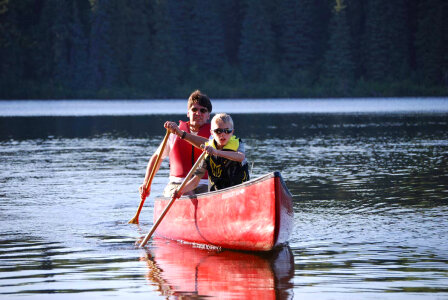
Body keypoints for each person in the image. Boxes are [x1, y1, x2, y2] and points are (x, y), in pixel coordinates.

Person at [139, 90, 212, 200]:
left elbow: (208, 145)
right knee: (188, 194)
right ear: (188, 113)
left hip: (206, 185)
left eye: (203, 110)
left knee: (207, 196)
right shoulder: (173, 134)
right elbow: (157, 158)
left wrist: (182, 134)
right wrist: (146, 183)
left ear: (208, 116)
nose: (198, 113)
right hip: (177, 184)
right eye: (194, 109)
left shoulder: (215, 136)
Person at [165, 113, 250, 195]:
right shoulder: (208, 151)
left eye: (227, 131)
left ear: (232, 132)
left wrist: (217, 152)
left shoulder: (238, 144)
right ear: (212, 133)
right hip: (218, 194)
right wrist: (180, 191)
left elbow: (240, 157)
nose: (223, 134)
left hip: (239, 190)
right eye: (218, 131)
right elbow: (195, 181)